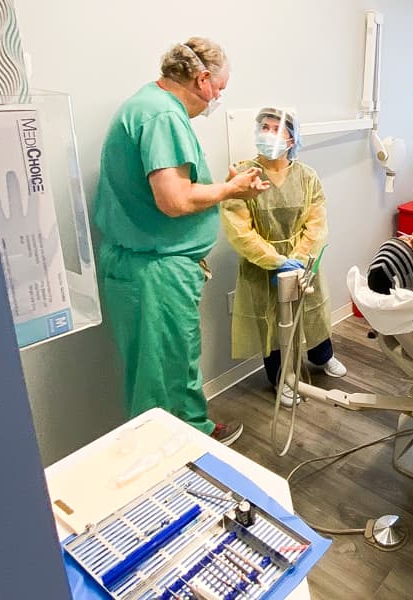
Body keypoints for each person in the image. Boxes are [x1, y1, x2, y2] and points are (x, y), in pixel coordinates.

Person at [94, 37, 269, 446]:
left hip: (157, 264)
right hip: (153, 268)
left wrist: (222, 187)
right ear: (203, 79)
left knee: (178, 362)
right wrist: (230, 190)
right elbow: (174, 200)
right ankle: (163, 467)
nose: (218, 99)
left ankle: (196, 431)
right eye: (220, 90)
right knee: (157, 379)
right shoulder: (162, 117)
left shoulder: (148, 104)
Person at [221, 107, 346, 407]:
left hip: (302, 263)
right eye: (263, 127)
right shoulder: (243, 175)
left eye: (276, 129)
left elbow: (316, 224)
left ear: (292, 140)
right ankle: (281, 379)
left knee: (311, 312)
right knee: (272, 325)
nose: (267, 133)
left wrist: (299, 260)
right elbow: (239, 229)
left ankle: (322, 357)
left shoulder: (307, 177)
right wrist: (275, 261)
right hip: (261, 268)